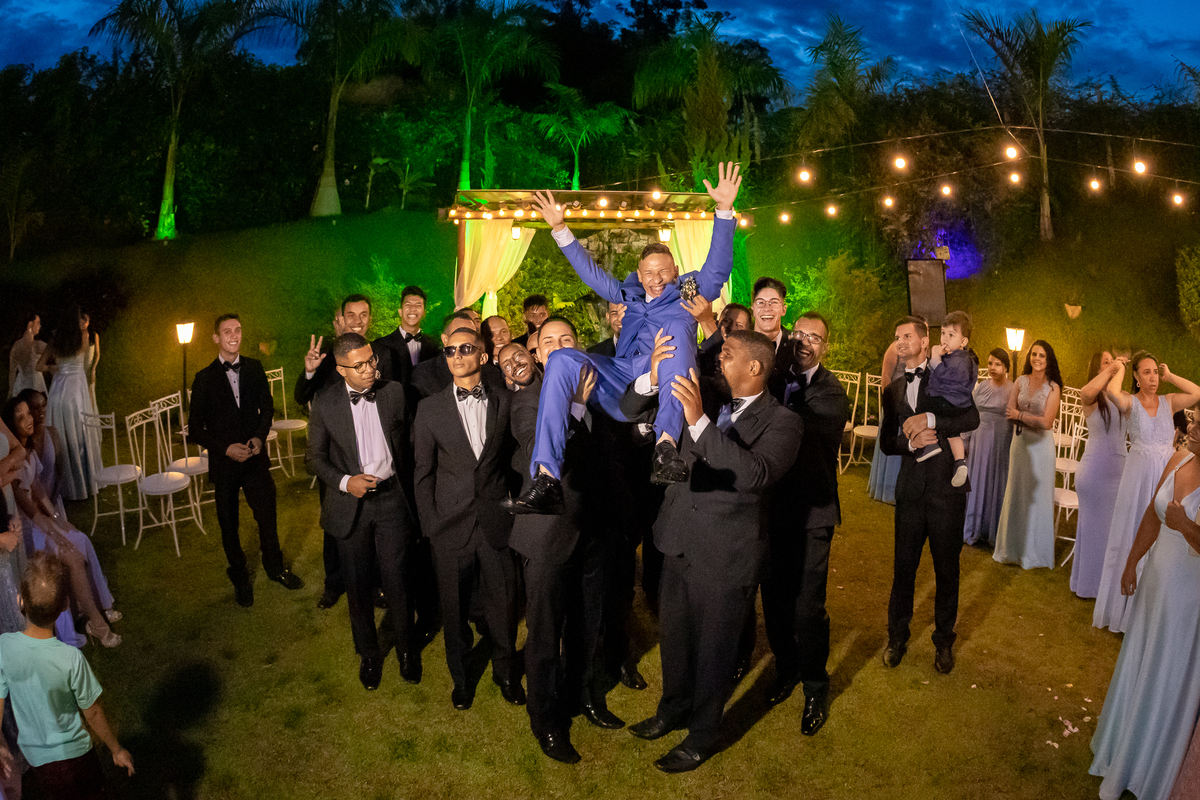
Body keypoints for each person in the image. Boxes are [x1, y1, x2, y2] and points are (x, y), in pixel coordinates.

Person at [511, 162, 741, 510]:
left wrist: (723, 209)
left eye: (663, 272)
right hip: (622, 376)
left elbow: (718, 267)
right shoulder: (627, 294)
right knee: (560, 358)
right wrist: (559, 228)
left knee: (676, 329)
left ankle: (665, 447)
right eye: (649, 273)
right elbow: (591, 273)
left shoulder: (687, 291)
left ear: (676, 271)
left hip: (669, 369)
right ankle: (547, 478)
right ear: (639, 273)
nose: (656, 279)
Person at [621, 331, 802, 773]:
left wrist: (699, 422)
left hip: (727, 556)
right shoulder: (707, 392)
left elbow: (755, 474)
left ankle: (702, 735)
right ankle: (672, 709)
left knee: (714, 653)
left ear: (754, 367)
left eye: (728, 353)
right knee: (675, 641)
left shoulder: (784, 422)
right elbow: (630, 410)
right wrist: (651, 379)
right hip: (679, 540)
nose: (718, 358)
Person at [503, 323, 617, 764]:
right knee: (546, 633)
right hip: (547, 534)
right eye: (548, 343)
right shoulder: (527, 400)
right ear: (537, 356)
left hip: (593, 531)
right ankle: (546, 719)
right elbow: (540, 450)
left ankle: (584, 696)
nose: (558, 348)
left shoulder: (598, 393)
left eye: (566, 340)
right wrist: (575, 408)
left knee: (587, 624)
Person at [1089, 415, 1200, 800]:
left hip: (1188, 599)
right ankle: (1119, 749)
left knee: (1166, 675)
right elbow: (1154, 514)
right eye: (1193, 421)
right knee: (1139, 662)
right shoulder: (1179, 459)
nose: (1190, 429)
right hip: (1155, 585)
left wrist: (1185, 526)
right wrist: (1132, 561)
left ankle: (1147, 770)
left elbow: (1182, 526)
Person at [412, 327, 522, 711]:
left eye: (465, 348)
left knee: (503, 604)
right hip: (449, 527)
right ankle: (461, 679)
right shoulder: (429, 409)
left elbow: (515, 460)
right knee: (454, 610)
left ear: (483, 356)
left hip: (495, 523)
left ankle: (506, 673)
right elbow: (422, 473)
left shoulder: (505, 401)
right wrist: (430, 525)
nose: (456, 355)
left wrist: (514, 507)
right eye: (449, 350)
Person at [306, 332, 420, 691]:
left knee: (398, 580)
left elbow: (409, 444)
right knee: (357, 586)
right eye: (360, 365)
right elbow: (314, 458)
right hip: (350, 506)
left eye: (372, 360)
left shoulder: (394, 392)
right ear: (341, 369)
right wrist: (345, 482)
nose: (371, 368)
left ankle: (407, 650)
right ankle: (369, 654)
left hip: (392, 501)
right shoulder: (325, 403)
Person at [761, 312, 849, 737]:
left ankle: (815, 685)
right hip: (774, 509)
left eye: (814, 337)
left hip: (813, 512)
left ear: (825, 347)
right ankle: (786, 668)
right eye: (798, 333)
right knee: (774, 599)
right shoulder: (776, 380)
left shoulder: (832, 392)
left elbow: (795, 428)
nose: (804, 341)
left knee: (807, 607)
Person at [880, 316, 979, 674]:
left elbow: (971, 419)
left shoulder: (944, 376)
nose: (901, 342)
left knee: (947, 571)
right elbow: (886, 442)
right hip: (909, 492)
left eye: (907, 336)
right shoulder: (893, 390)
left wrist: (931, 421)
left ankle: (944, 643)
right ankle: (896, 638)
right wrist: (910, 443)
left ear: (925, 342)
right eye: (897, 337)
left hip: (946, 492)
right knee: (903, 569)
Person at [187, 314, 303, 607]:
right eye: (227, 331)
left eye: (237, 330)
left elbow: (267, 408)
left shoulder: (254, 367)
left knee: (267, 516)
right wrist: (225, 449)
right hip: (225, 464)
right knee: (229, 524)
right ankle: (239, 576)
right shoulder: (203, 378)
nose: (233, 335)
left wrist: (260, 438)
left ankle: (275, 568)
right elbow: (195, 429)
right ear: (216, 338)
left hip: (255, 460)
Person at [0, 551, 134, 799]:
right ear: (64, 606)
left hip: (37, 760)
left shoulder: (4, 647)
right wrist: (116, 749)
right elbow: (93, 712)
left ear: (20, 601)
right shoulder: (70, 659)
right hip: (75, 757)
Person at [295, 294, 396, 611]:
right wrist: (310, 371)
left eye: (363, 314)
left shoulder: (382, 353)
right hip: (337, 458)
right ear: (341, 318)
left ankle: (375, 584)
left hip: (374, 457)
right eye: (351, 315)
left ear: (370, 318)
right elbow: (301, 396)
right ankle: (334, 583)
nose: (357, 320)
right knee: (337, 526)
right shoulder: (326, 355)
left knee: (375, 529)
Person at [1093, 353, 1200, 632]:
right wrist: (1119, 368)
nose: (1153, 377)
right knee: (1131, 529)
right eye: (1147, 372)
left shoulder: (1169, 401)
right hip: (1138, 476)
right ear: (1137, 377)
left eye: (1155, 372)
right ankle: (1120, 608)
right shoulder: (1131, 402)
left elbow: (1197, 392)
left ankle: (1146, 611)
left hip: (1165, 470)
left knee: (1161, 533)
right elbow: (1113, 392)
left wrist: (1170, 376)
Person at [2, 398, 120, 649]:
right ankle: (96, 624)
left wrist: (59, 520)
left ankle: (98, 605)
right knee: (72, 555)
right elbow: (30, 510)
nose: (29, 419)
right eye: (21, 418)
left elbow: (38, 488)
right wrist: (56, 534)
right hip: (28, 531)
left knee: (81, 539)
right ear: (12, 425)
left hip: (42, 522)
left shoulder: (28, 451)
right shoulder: (14, 464)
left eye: (29, 413)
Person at [586, 303, 657, 692]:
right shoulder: (593, 356)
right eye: (615, 311)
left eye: (628, 311)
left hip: (635, 481)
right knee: (594, 581)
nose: (622, 317)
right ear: (608, 318)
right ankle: (590, 654)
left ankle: (620, 655)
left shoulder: (654, 354)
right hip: (596, 483)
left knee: (622, 579)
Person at [992, 340, 1063, 570]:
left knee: (1037, 498)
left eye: (1042, 355)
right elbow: (1009, 412)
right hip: (1020, 443)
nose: (1037, 359)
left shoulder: (1053, 388)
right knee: (1016, 493)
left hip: (1041, 448)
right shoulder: (1020, 381)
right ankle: (1011, 549)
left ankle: (1034, 553)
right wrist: (1025, 418)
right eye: (1034, 354)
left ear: (1048, 359)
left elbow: (1047, 423)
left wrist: (1021, 416)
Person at [1070, 352, 1127, 598]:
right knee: (1094, 531)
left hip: (1119, 472)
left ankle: (1106, 585)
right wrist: (1112, 369)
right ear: (1097, 368)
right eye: (1106, 361)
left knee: (1112, 531)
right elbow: (1085, 392)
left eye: (1113, 360)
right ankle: (1088, 585)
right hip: (1095, 472)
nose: (1112, 363)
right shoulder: (1092, 397)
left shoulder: (1120, 397)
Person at [39, 308, 100, 501]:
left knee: (63, 436)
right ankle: (85, 483)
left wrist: (52, 368)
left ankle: (66, 486)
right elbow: (84, 360)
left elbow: (38, 366)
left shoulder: (55, 340)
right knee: (80, 434)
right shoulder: (82, 336)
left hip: (58, 391)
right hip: (75, 390)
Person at [962, 349, 1013, 545]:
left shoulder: (1012, 389)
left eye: (997, 364)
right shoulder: (982, 386)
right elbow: (971, 413)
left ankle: (990, 530)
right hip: (978, 439)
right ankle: (972, 527)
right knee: (976, 480)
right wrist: (966, 440)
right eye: (990, 363)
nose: (992, 367)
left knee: (994, 481)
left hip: (1000, 441)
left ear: (1006, 367)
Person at [919, 312, 976, 486]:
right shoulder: (954, 357)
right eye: (943, 333)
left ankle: (930, 445)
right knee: (953, 434)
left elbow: (945, 377)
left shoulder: (961, 359)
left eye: (951, 335)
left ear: (963, 341)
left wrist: (935, 359)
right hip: (955, 403)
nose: (944, 338)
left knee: (922, 405)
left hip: (949, 401)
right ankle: (960, 463)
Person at [868, 341, 905, 505]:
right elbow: (885, 377)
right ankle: (887, 489)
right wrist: (890, 404)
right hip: (894, 403)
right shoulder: (894, 348)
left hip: (910, 405)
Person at [375, 286, 441, 369]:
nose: (413, 309)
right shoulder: (381, 345)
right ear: (400, 312)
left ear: (424, 313)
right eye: (408, 305)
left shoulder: (435, 346)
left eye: (418, 305)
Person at [8, 314, 46, 398]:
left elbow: (12, 372)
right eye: (38, 323)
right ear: (30, 324)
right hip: (35, 382)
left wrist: (11, 390)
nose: (40, 326)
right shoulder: (37, 345)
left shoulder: (16, 345)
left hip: (20, 383)